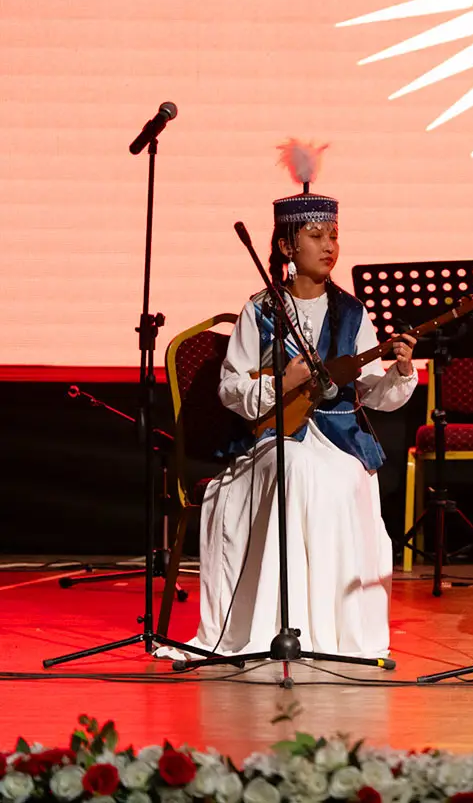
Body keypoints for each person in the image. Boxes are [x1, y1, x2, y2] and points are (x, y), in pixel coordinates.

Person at [160, 141, 418, 660]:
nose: (329, 246)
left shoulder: (352, 312)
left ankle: (336, 631)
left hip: (340, 439)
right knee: (295, 465)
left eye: (334, 236)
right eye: (316, 235)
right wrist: (283, 383)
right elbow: (233, 389)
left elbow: (374, 395)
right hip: (272, 437)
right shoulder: (261, 310)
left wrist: (402, 371)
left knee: (343, 479)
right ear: (285, 247)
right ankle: (284, 625)